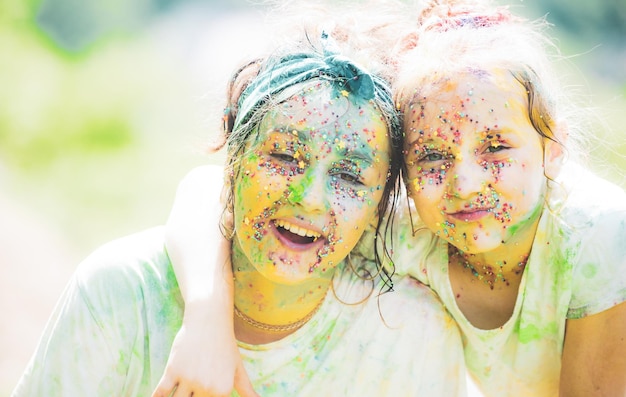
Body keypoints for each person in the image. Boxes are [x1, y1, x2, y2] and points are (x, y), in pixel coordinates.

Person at [152, 1, 626, 397]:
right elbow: (208, 191)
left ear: (554, 149)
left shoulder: (597, 234)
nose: (463, 182)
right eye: (432, 156)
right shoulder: (411, 233)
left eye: (495, 147)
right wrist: (205, 320)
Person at [12, 31, 468, 396]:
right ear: (234, 157)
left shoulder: (409, 333)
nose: (310, 198)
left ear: (379, 206)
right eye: (286, 157)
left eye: (349, 177)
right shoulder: (121, 292)